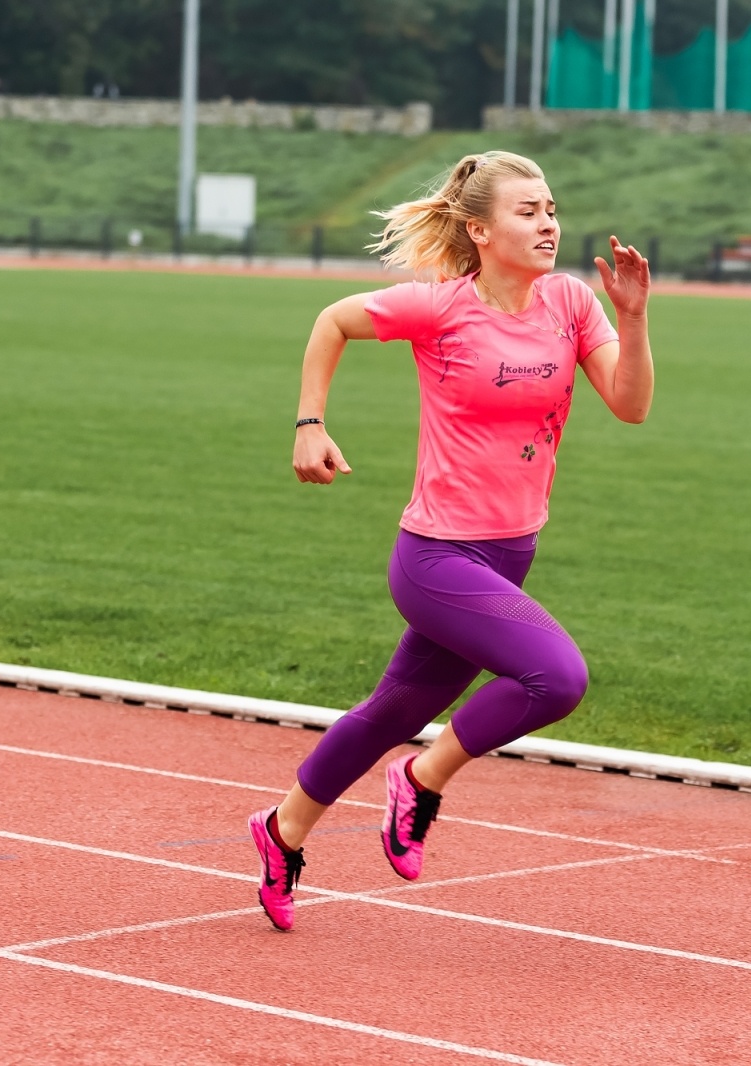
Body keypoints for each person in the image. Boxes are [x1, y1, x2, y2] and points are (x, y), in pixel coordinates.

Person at [248, 151, 654, 931]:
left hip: (511, 551)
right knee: (557, 679)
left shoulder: (570, 303)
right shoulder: (441, 308)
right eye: (526, 211)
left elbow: (630, 406)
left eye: (551, 208)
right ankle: (424, 778)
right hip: (437, 558)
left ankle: (282, 830)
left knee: (389, 712)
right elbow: (333, 320)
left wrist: (631, 320)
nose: (547, 223)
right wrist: (309, 424)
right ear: (479, 228)